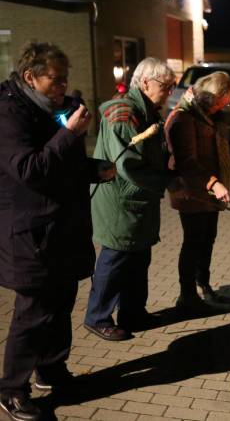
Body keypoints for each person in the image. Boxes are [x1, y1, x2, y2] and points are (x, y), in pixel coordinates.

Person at [0, 42, 114, 421]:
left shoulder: (54, 110)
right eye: (55, 78)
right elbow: (30, 170)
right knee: (33, 314)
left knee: (62, 304)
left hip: (62, 229)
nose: (64, 85)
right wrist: (67, 134)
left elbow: (63, 165)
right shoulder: (10, 113)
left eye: (66, 77)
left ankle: (51, 370)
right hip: (31, 235)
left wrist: (92, 168)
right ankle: (12, 390)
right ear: (31, 77)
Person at [84, 58, 175, 341]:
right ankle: (97, 317)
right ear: (146, 82)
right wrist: (168, 180)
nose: (169, 91)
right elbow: (129, 166)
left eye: (172, 86)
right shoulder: (124, 115)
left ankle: (133, 312)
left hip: (137, 200)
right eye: (166, 85)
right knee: (116, 257)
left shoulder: (146, 110)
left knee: (139, 257)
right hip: (120, 200)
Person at [165, 72, 230, 312]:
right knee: (193, 242)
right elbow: (187, 162)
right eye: (220, 102)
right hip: (192, 192)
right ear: (210, 96)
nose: (221, 107)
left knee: (207, 240)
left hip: (209, 191)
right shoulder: (184, 118)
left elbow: (210, 147)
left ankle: (204, 285)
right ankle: (187, 296)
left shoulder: (207, 115)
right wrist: (215, 183)